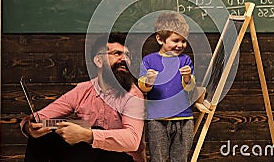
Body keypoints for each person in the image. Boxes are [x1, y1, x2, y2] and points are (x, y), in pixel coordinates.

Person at [20, 33, 145, 162]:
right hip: (87, 156)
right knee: (41, 137)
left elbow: (132, 140)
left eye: (127, 55)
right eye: (117, 53)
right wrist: (30, 127)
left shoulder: (133, 95)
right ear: (99, 60)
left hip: (123, 158)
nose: (125, 59)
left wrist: (87, 135)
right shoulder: (82, 90)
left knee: (90, 136)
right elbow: (43, 116)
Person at [138, 12, 195, 162]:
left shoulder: (185, 60)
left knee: (181, 158)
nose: (180, 45)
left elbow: (190, 88)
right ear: (160, 39)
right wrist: (149, 80)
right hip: (157, 119)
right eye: (175, 40)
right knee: (158, 158)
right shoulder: (149, 60)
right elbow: (142, 87)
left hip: (184, 118)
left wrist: (188, 78)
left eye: (184, 41)